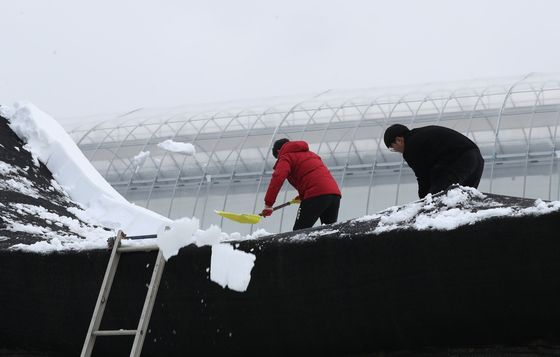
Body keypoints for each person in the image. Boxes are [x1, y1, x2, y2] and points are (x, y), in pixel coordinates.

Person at [383, 124, 484, 198]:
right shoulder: (422, 135)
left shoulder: (411, 146)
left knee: (436, 199)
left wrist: (424, 200)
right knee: (464, 200)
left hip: (459, 161)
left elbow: (423, 176)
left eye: (392, 148)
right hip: (477, 159)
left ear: (399, 140)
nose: (396, 151)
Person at [261, 138, 342, 230]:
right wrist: (303, 196)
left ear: (279, 151)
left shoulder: (286, 156)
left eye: (277, 157)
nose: (278, 160)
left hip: (316, 195)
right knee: (329, 232)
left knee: (298, 233)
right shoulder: (312, 154)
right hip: (334, 195)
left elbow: (277, 178)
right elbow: (314, 177)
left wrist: (268, 204)